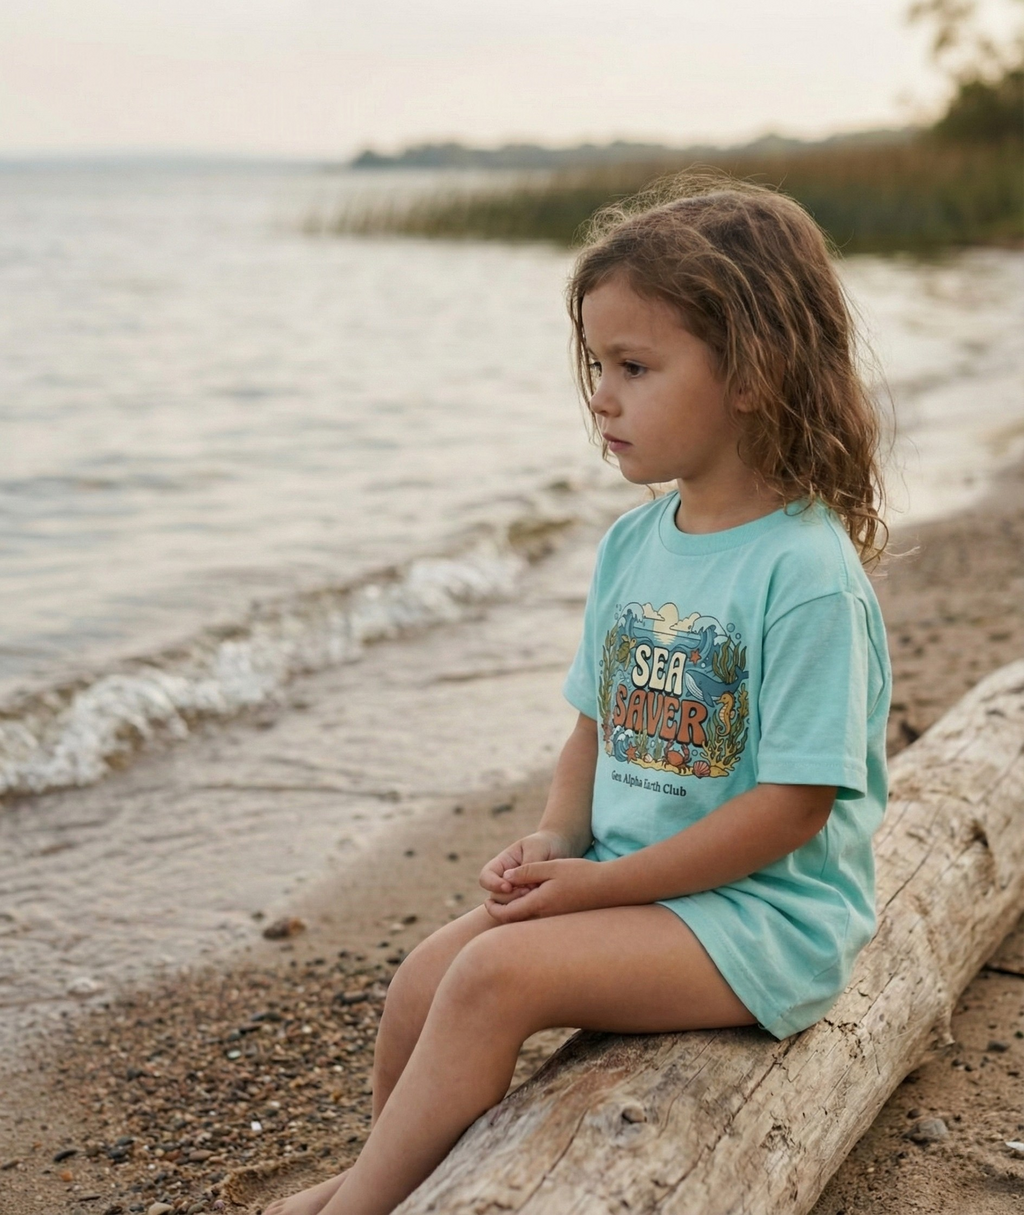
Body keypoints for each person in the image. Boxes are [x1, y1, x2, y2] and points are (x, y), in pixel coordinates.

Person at [266, 173, 894, 1215]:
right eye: (597, 364)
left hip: (763, 923)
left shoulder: (804, 574)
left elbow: (793, 809)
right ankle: (390, 1171)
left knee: (491, 979)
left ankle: (355, 1208)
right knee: (427, 974)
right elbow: (594, 729)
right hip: (635, 885)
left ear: (753, 373)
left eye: (635, 366)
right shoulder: (634, 544)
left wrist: (600, 889)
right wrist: (561, 841)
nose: (600, 394)